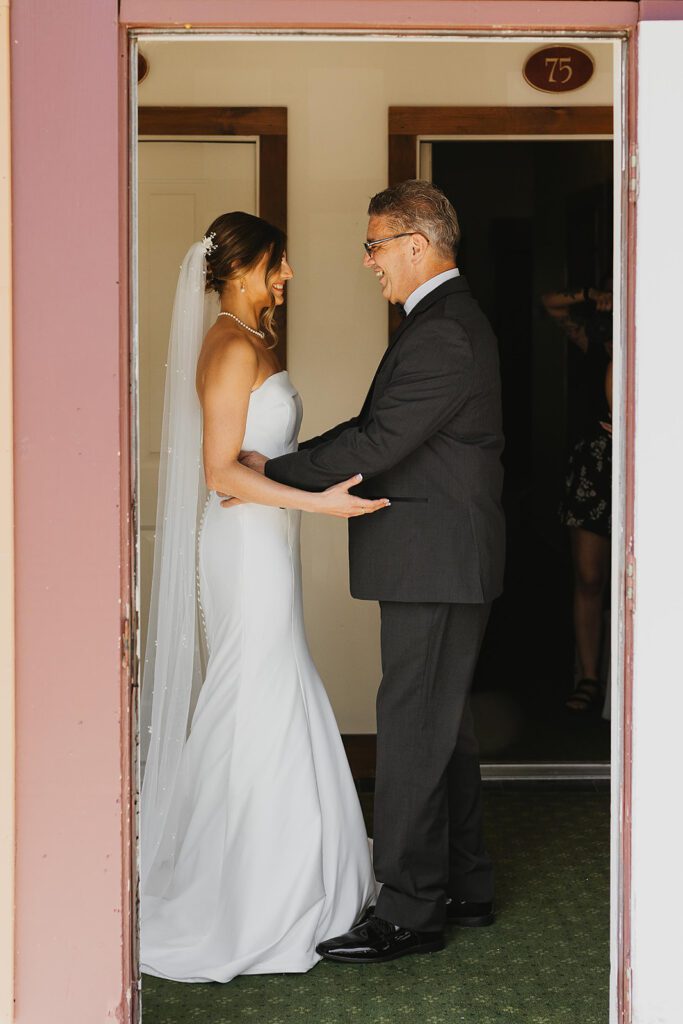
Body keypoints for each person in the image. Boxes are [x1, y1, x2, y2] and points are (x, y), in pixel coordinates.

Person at [239, 181, 505, 964]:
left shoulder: (443, 331)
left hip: (434, 561)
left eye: (373, 245)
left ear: (416, 244)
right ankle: (466, 884)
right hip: (442, 558)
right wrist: (284, 467)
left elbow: (378, 442)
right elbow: (375, 428)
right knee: (442, 729)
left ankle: (409, 912)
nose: (367, 262)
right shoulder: (441, 323)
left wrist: (271, 472)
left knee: (415, 732)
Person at [139, 212, 386, 983]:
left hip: (268, 538)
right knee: (260, 687)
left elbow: (260, 455)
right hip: (245, 547)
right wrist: (323, 505)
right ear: (244, 267)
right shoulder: (227, 345)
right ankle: (246, 888)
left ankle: (291, 870)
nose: (287, 278)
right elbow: (220, 473)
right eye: (279, 265)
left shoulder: (256, 342)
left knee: (274, 684)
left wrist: (288, 481)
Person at [541, 286, 613, 713]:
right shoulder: (591, 338)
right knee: (588, 577)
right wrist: (594, 295)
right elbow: (548, 303)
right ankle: (587, 675)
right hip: (592, 465)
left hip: (638, 463)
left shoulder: (651, 330)